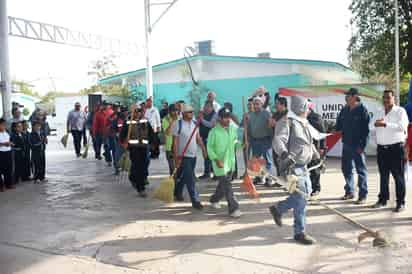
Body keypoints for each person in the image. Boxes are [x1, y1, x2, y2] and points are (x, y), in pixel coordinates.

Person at [270, 96, 319, 245]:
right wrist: (285, 155)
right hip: (292, 168)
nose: (309, 110)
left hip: (304, 166)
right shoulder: (286, 122)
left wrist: (317, 158)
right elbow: (278, 140)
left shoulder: (304, 123)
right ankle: (299, 232)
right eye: (307, 107)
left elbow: (309, 143)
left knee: (305, 194)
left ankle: (278, 209)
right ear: (301, 108)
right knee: (302, 199)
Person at [372, 90, 408, 212]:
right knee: (383, 176)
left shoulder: (400, 111)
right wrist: (376, 124)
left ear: (394, 98)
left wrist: (385, 124)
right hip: (382, 149)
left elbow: (402, 127)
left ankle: (400, 203)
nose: (386, 100)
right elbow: (370, 126)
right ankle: (382, 200)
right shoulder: (379, 111)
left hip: (396, 149)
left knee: (398, 177)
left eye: (388, 97)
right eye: (384, 98)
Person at [335, 88, 370, 204]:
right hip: (346, 144)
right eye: (346, 95)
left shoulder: (362, 110)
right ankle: (349, 191)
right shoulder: (344, 109)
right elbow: (339, 125)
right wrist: (333, 129)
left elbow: (366, 131)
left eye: (348, 95)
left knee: (361, 170)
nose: (346, 97)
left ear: (355, 97)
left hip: (358, 146)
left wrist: (362, 146)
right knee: (346, 169)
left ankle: (363, 195)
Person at [208, 107, 243, 218]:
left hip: (230, 163)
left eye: (228, 117)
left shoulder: (233, 128)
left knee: (223, 186)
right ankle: (234, 209)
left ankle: (214, 199)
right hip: (220, 164)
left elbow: (235, 142)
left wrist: (241, 144)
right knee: (228, 187)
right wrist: (216, 159)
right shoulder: (214, 132)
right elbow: (209, 147)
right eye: (225, 117)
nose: (227, 120)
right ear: (219, 118)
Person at [173, 105, 207, 210]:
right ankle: (195, 200)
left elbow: (198, 138)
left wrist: (204, 150)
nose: (192, 114)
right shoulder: (177, 124)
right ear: (183, 113)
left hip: (193, 155)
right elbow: (175, 142)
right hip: (183, 156)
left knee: (185, 176)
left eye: (192, 112)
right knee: (190, 178)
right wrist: (176, 157)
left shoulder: (194, 124)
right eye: (189, 112)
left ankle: (177, 191)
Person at [120, 105, 155, 197]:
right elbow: (122, 136)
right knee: (136, 166)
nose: (137, 113)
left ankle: (138, 181)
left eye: (139, 111)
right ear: (132, 112)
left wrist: (154, 144)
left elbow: (151, 134)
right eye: (135, 111)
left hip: (144, 148)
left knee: (143, 167)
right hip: (133, 148)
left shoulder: (145, 121)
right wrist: (124, 143)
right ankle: (141, 188)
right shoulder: (128, 122)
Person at [246, 97, 274, 186]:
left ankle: (269, 178)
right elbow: (249, 128)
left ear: (261, 104)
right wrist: (249, 139)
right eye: (254, 104)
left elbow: (271, 126)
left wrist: (271, 138)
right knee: (256, 161)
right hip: (255, 140)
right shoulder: (251, 115)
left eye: (258, 104)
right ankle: (259, 178)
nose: (256, 106)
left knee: (267, 160)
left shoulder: (266, 113)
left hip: (265, 140)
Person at [307, 101, 326, 199]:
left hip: (316, 147)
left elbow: (322, 133)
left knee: (314, 169)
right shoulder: (301, 118)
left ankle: (316, 188)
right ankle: (308, 188)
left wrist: (322, 148)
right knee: (307, 169)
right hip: (305, 148)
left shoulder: (316, 118)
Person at [198, 101, 218, 179]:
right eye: (205, 107)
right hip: (204, 138)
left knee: (213, 156)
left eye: (208, 107)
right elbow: (198, 123)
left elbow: (211, 125)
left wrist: (201, 120)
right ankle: (207, 173)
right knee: (206, 156)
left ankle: (216, 174)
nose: (206, 108)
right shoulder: (203, 114)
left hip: (213, 139)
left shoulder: (215, 115)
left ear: (212, 107)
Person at [162, 104, 179, 175]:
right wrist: (172, 122)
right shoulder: (165, 119)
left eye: (176, 111)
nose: (175, 113)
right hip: (169, 147)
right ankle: (173, 182)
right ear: (169, 111)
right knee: (172, 168)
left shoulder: (179, 118)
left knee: (179, 167)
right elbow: (167, 132)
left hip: (178, 146)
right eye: (173, 111)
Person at [0, 118, 14, 191]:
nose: (4, 126)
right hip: (1, 153)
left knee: (8, 169)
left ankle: (8, 184)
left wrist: (10, 143)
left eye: (4, 125)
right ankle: (1, 186)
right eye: (2, 125)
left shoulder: (7, 132)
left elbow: (9, 140)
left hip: (8, 152)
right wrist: (4, 144)